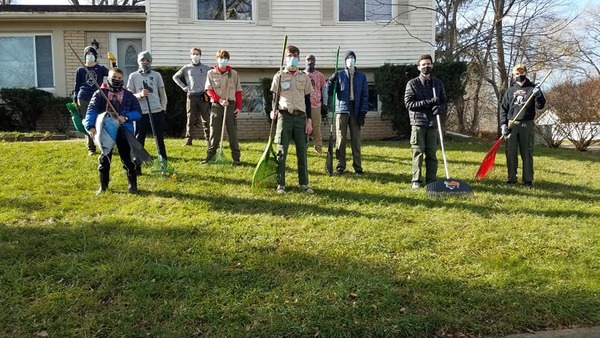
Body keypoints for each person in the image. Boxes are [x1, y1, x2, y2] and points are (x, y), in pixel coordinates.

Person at [84, 67, 142, 195]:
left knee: (127, 158)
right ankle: (103, 187)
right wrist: (90, 126)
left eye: (119, 78)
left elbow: (138, 113)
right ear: (108, 77)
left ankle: (132, 186)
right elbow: (91, 110)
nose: (116, 80)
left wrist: (126, 117)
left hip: (123, 129)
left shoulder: (128, 96)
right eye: (114, 77)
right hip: (105, 129)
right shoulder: (100, 93)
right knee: (104, 158)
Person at [270, 45, 314, 194]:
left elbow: (308, 101)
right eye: (289, 56)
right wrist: (273, 111)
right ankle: (280, 184)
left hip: (300, 118)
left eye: (295, 56)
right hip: (285, 116)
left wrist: (309, 120)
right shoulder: (279, 76)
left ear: (299, 58)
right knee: (282, 150)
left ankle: (304, 184)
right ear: (285, 58)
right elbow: (274, 98)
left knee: (302, 151)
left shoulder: (304, 77)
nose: (292, 58)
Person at [404, 54, 447, 189]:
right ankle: (416, 180)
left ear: (432, 65)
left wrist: (439, 108)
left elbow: (444, 101)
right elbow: (409, 103)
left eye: (428, 64)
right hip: (418, 123)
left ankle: (431, 180)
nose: (426, 66)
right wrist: (428, 103)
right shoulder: (412, 84)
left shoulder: (437, 83)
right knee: (418, 152)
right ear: (419, 67)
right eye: (423, 65)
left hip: (433, 123)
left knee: (432, 153)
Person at [500, 64, 546, 186]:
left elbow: (540, 106)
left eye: (522, 73)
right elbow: (503, 109)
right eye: (517, 74)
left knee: (527, 152)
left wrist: (539, 95)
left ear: (525, 73)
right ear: (513, 75)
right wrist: (503, 125)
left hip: (527, 123)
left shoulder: (533, 88)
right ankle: (511, 179)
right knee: (511, 152)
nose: (519, 75)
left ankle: (527, 179)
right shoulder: (510, 91)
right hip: (512, 124)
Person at [326, 50, 368, 175]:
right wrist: (330, 81)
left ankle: (357, 166)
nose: (350, 59)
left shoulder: (362, 76)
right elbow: (329, 91)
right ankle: (340, 165)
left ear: (355, 60)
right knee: (341, 139)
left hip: (356, 109)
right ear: (345, 61)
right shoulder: (339, 75)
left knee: (356, 140)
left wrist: (363, 112)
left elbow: (365, 95)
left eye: (352, 57)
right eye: (348, 58)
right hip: (342, 110)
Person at [127, 51, 168, 174]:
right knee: (139, 139)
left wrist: (163, 108)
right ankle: (137, 166)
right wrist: (139, 95)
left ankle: (163, 165)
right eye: (142, 61)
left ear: (150, 62)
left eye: (147, 61)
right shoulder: (133, 76)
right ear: (138, 62)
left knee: (159, 139)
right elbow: (129, 96)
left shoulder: (156, 75)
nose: (144, 63)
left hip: (156, 111)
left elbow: (162, 94)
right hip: (141, 112)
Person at [202, 50, 242, 165]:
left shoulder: (233, 74)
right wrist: (219, 100)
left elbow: (238, 92)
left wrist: (238, 107)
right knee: (214, 132)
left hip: (231, 106)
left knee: (232, 133)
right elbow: (208, 90)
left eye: (225, 58)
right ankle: (210, 157)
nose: (223, 60)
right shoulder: (211, 73)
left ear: (228, 60)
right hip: (217, 106)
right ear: (217, 59)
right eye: (221, 58)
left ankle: (236, 159)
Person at [73, 45, 110, 156]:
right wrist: (75, 99)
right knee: (88, 122)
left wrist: (113, 62)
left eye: (92, 54)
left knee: (99, 120)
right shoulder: (80, 70)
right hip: (83, 97)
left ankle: (102, 144)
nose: (90, 56)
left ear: (95, 56)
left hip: (97, 97)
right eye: (88, 54)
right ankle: (91, 148)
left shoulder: (100, 68)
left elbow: (112, 74)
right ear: (85, 56)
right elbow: (77, 86)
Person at [173, 47, 211, 147]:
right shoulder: (186, 68)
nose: (195, 56)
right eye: (193, 54)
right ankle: (188, 140)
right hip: (191, 96)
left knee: (206, 119)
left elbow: (212, 78)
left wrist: (209, 89)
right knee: (190, 119)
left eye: (197, 54)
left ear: (200, 55)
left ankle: (209, 140)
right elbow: (175, 77)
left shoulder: (206, 68)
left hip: (203, 96)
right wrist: (183, 87)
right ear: (190, 55)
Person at [304, 54, 328, 154]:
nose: (310, 62)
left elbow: (325, 90)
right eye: (308, 60)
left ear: (315, 62)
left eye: (312, 60)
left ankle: (318, 148)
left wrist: (325, 104)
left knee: (316, 128)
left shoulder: (320, 76)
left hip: (316, 106)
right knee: (303, 128)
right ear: (305, 62)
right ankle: (304, 148)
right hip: (303, 106)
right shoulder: (301, 75)